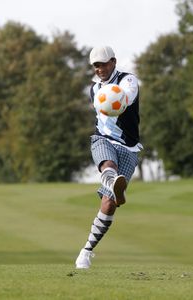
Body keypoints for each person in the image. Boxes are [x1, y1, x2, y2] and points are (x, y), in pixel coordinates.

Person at [75, 46, 142, 269]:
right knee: (108, 164)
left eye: (103, 64)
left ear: (113, 61)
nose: (99, 69)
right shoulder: (93, 90)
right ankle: (113, 181)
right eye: (96, 66)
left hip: (129, 147)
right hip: (102, 139)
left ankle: (86, 250)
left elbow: (127, 98)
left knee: (109, 202)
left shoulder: (128, 80)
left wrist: (116, 97)